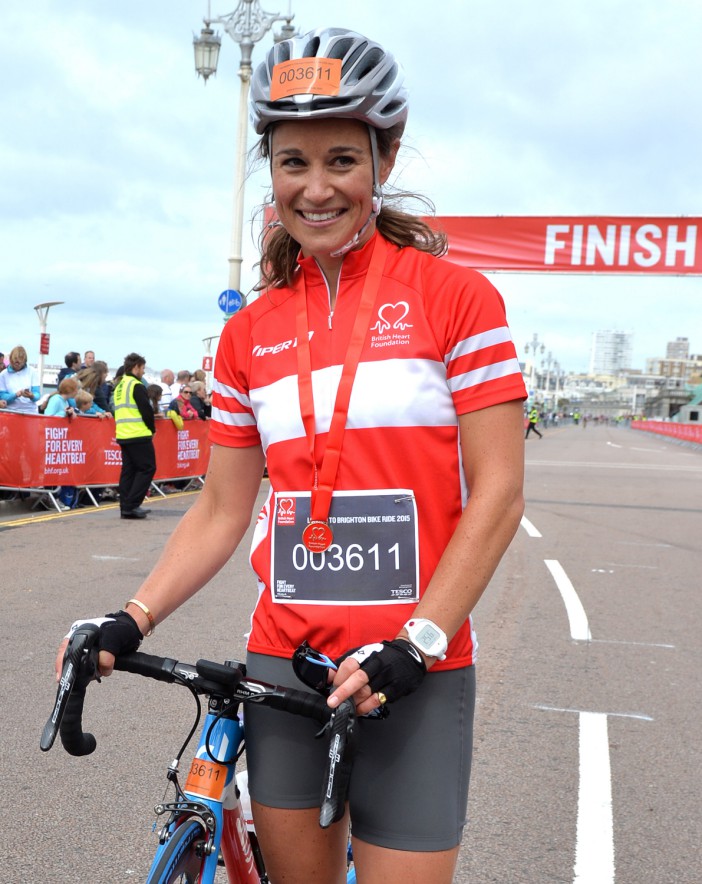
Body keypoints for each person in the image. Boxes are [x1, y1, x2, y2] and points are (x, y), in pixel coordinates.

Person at [55, 28, 526, 884]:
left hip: (410, 668)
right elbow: (221, 508)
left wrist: (417, 642)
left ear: (383, 156)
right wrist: (133, 616)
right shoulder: (250, 332)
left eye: (341, 159)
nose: (315, 188)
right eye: (291, 163)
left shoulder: (455, 298)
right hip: (287, 664)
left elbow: (497, 493)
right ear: (268, 172)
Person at [112, 353, 156, 520]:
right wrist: (152, 429)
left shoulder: (120, 386)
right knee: (147, 468)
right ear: (136, 367)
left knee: (128, 471)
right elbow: (146, 410)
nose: (143, 372)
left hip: (123, 433)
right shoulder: (136, 385)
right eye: (143, 368)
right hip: (138, 433)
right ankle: (133, 504)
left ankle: (125, 507)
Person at [0, 346, 40, 413]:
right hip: (11, 411)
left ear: (24, 361)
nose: (17, 365)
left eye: (20, 362)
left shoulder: (32, 371)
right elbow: (2, 397)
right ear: (11, 360)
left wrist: (32, 395)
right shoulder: (3, 374)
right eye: (15, 362)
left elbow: (37, 395)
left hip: (30, 411)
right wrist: (15, 395)